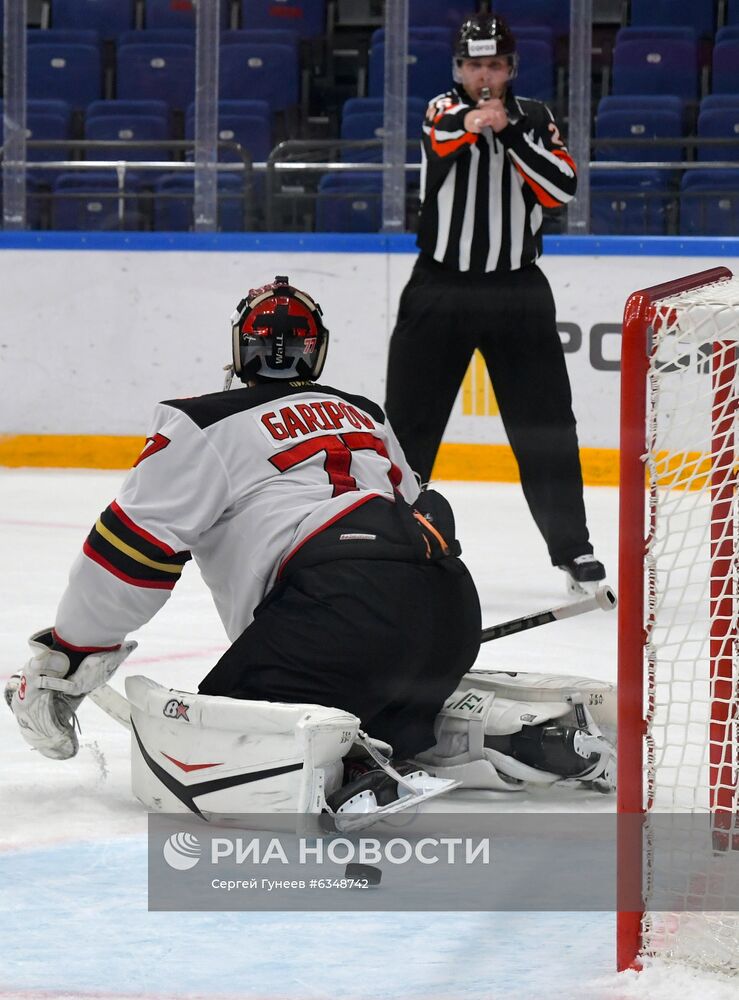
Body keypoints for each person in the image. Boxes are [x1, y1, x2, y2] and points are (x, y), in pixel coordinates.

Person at [6, 276, 615, 824]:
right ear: (315, 351)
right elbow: (423, 508)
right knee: (376, 692)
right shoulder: (364, 416)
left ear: (240, 351)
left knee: (210, 742)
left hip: (334, 613)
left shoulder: (201, 423)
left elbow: (127, 557)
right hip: (449, 607)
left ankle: (346, 774)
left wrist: (71, 648)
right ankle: (505, 736)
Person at [385, 11, 607, 596]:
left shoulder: (536, 118)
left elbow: (560, 188)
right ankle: (393, 541)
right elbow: (444, 138)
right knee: (409, 425)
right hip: (440, 288)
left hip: (517, 290)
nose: (484, 75)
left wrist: (507, 131)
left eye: (495, 64)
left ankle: (573, 550)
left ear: (510, 68)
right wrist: (481, 122)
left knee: (546, 425)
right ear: (459, 68)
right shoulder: (440, 109)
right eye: (474, 64)